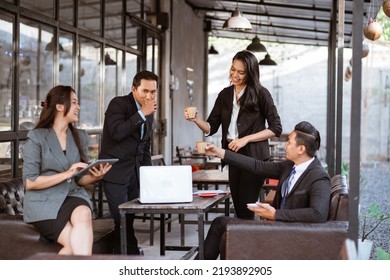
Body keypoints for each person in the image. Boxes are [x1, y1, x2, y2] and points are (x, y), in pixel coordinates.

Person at [198, 121, 331, 259]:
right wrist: (220, 152)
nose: (285, 145)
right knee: (220, 223)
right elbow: (257, 166)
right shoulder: (289, 166)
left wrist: (275, 214)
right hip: (274, 227)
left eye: (289, 142)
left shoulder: (319, 176)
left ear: (301, 149)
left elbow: (318, 214)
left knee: (220, 224)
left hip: (288, 234)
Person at [184, 50, 282, 219]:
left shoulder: (261, 94)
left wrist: (245, 139)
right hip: (231, 154)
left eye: (241, 72)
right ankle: (242, 242)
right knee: (238, 206)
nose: (235, 75)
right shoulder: (224, 94)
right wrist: (195, 119)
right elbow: (211, 127)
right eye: (233, 69)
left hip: (254, 158)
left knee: (246, 208)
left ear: (250, 74)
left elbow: (276, 128)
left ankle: (246, 243)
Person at [22, 85, 112, 256]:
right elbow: (30, 182)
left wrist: (94, 177)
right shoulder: (37, 136)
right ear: (59, 106)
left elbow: (78, 179)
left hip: (73, 196)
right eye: (74, 102)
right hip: (43, 202)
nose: (78, 107)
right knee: (72, 247)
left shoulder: (81, 136)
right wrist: (67, 174)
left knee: (84, 212)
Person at [99, 70, 158, 254]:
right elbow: (117, 132)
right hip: (114, 172)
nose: (149, 96)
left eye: (153, 92)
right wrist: (141, 114)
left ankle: (122, 253)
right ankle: (130, 254)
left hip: (135, 172)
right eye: (145, 91)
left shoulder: (148, 111)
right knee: (120, 218)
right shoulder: (118, 104)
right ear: (133, 89)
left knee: (129, 218)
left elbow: (144, 145)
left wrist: (149, 175)